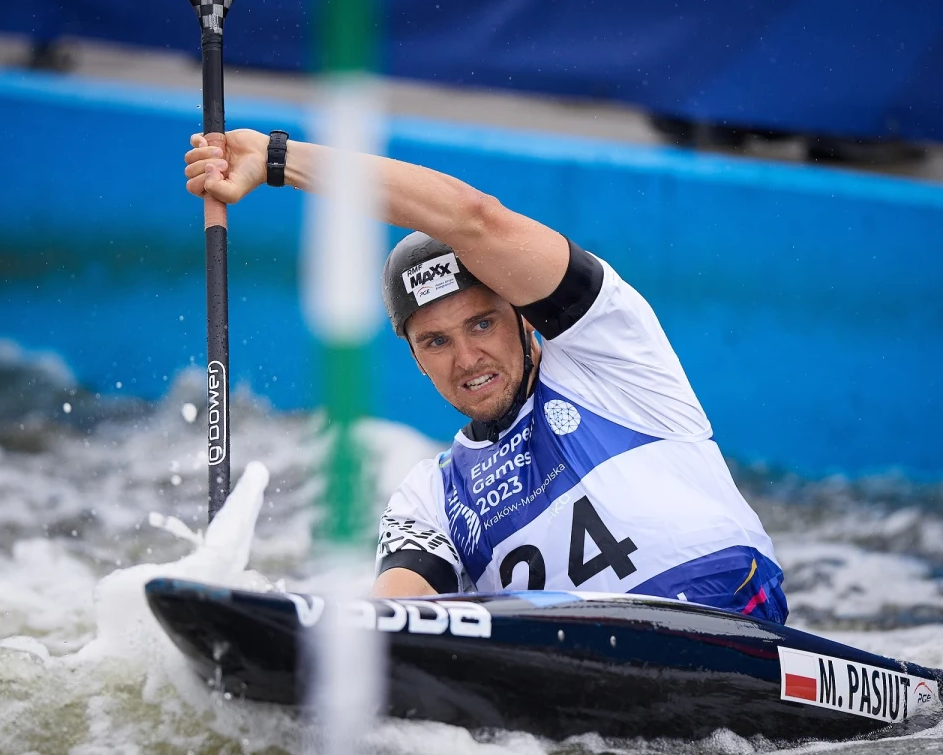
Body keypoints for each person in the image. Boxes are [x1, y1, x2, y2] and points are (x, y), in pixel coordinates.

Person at [184, 128, 788, 623]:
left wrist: (279, 160)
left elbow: (474, 219)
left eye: (481, 325)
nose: (466, 359)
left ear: (525, 319)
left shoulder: (611, 350)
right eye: (436, 342)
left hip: (734, 618)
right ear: (416, 360)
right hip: (583, 676)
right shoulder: (431, 498)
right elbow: (393, 617)